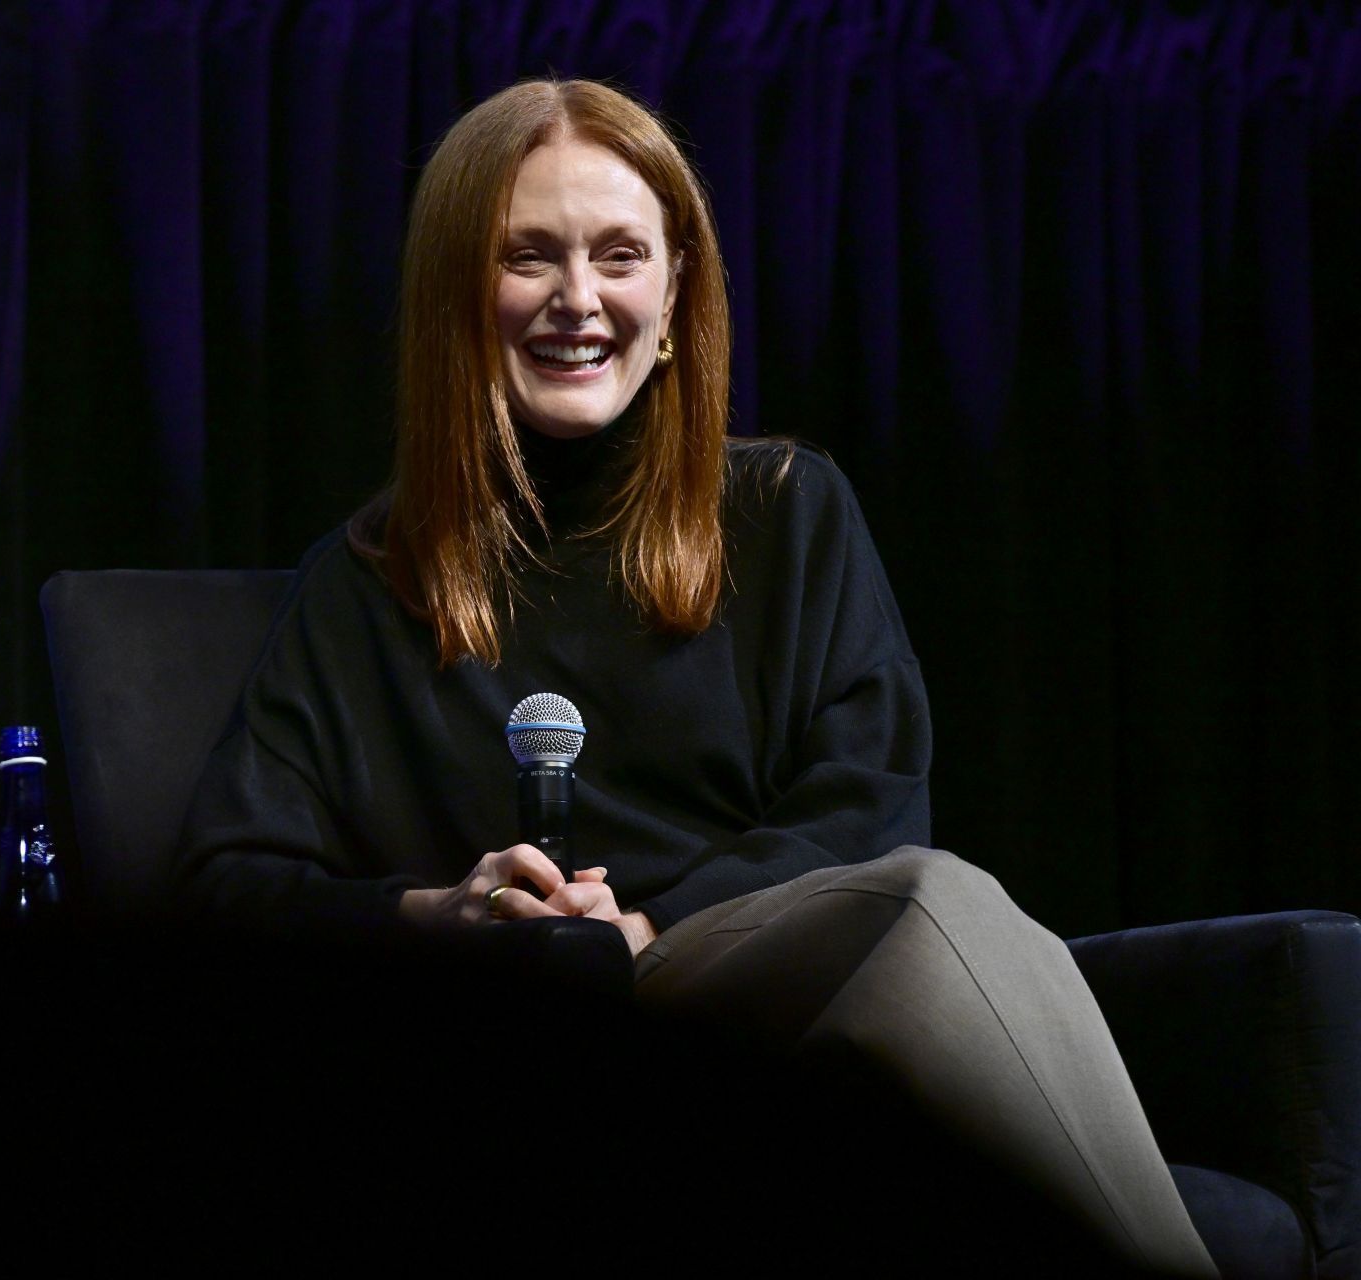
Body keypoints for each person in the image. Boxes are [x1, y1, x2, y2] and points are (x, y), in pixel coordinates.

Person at [175, 78, 1217, 1277]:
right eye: (529, 257)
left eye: (621, 255)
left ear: (674, 299)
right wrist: (444, 917)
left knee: (932, 908)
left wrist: (655, 924)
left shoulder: (787, 512)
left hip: (740, 989)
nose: (579, 299)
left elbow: (871, 805)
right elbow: (220, 883)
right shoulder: (362, 581)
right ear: (457, 297)